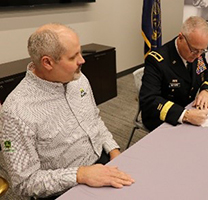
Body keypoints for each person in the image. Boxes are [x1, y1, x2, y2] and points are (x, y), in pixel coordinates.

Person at [0, 23, 134, 200]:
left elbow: (94, 119)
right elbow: (25, 183)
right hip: (65, 188)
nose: (82, 60)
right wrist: (80, 175)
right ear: (47, 62)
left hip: (102, 162)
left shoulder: (78, 79)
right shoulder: (17, 111)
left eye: (80, 52)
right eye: (73, 57)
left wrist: (114, 150)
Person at [140, 16, 208, 131]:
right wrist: (185, 115)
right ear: (181, 38)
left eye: (202, 50)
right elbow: (149, 100)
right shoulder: (157, 61)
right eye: (194, 50)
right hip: (163, 119)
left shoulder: (197, 54)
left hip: (189, 111)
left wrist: (205, 91)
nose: (198, 55)